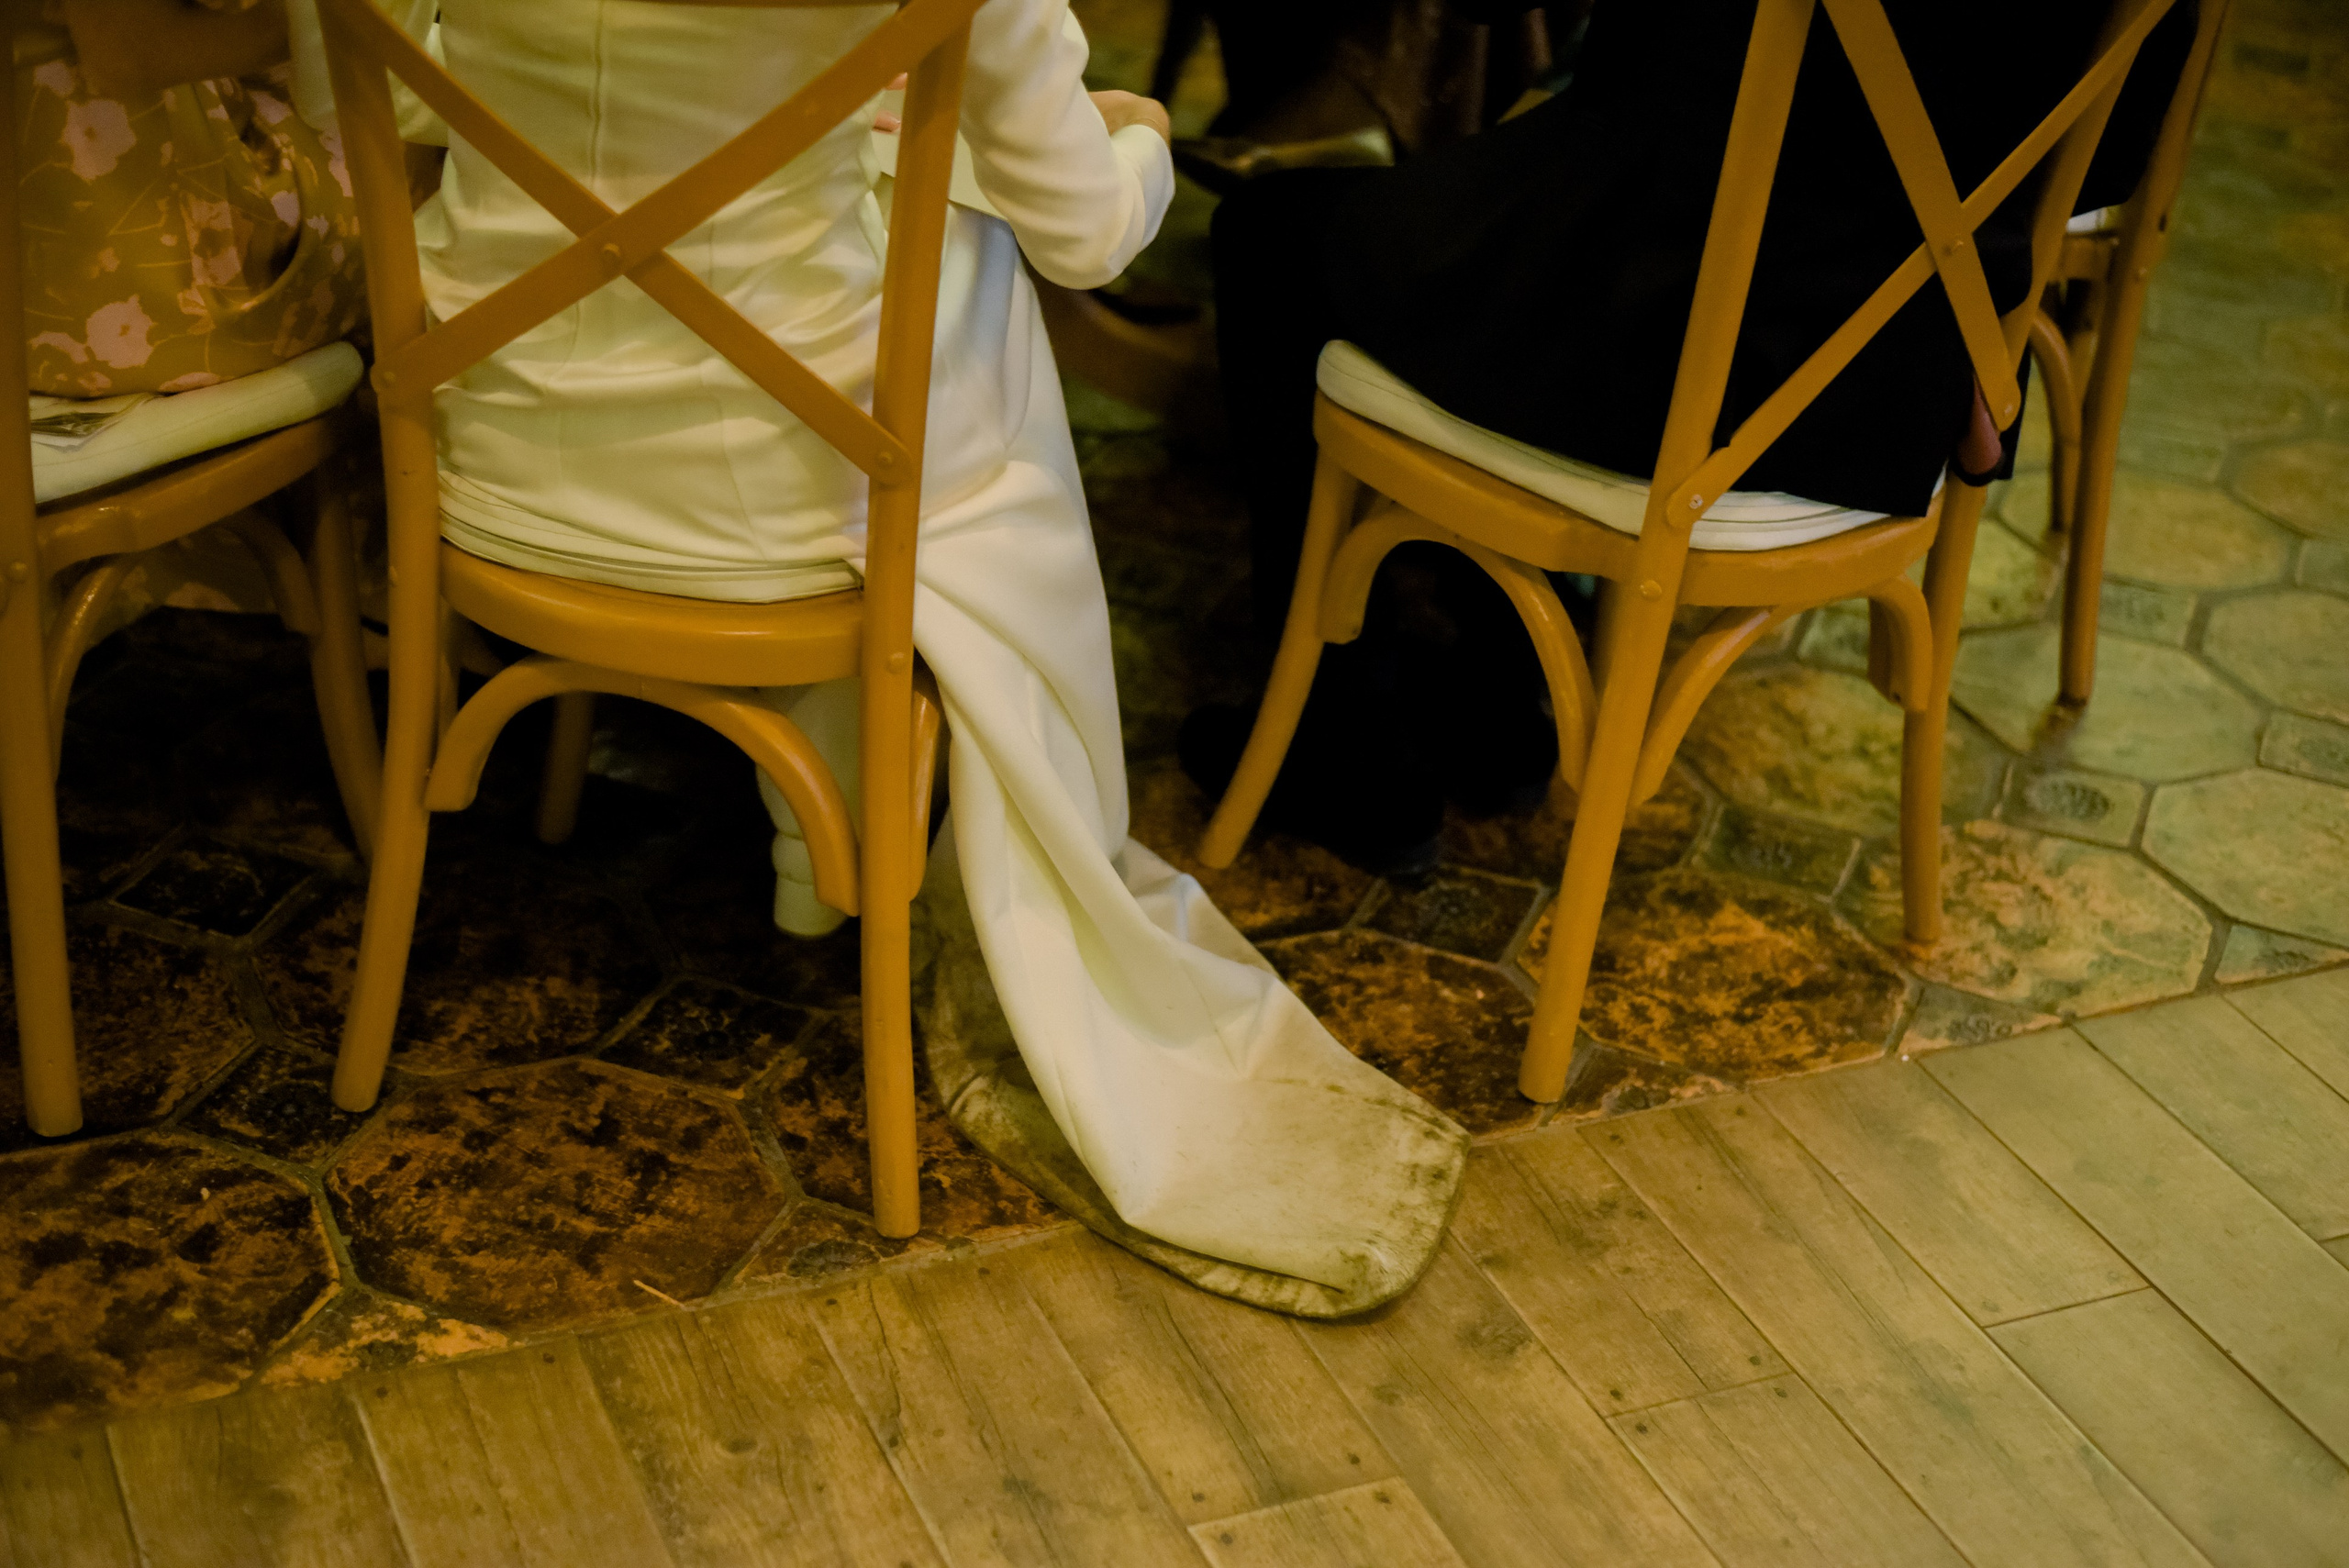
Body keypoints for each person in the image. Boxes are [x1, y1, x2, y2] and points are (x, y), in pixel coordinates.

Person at [383, 0, 1467, 1312]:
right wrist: (1138, 141)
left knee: (846, 241)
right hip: (791, 508)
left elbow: (386, 103)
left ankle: (816, 823)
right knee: (976, 280)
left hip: (498, 461)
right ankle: (854, 818)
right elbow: (1085, 236)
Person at [1188, 0, 2194, 872]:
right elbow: (2109, 150)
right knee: (1493, 209)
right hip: (1896, 384)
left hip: (1675, 352)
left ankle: (1345, 749)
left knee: (1271, 241)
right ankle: (1496, 693)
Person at [17, 0, 365, 397]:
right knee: (407, 118)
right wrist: (357, 17)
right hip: (136, 287)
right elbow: (130, 52)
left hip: (36, 302)